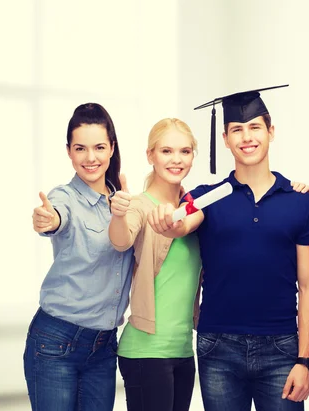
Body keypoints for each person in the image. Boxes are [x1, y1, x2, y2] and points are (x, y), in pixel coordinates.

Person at [147, 85, 309, 411]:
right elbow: (184, 221)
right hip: (218, 348)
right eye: (237, 130)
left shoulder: (301, 204)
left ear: (271, 132)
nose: (247, 137)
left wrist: (305, 359)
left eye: (255, 127)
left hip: (282, 349)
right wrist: (171, 224)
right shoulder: (206, 196)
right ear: (226, 139)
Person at [25, 102, 134, 411]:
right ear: (69, 152)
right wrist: (48, 219)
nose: (91, 158)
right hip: (55, 341)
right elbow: (56, 216)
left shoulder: (123, 203)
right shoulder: (65, 197)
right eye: (80, 148)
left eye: (99, 147)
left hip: (103, 348)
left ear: (112, 148)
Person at [108, 118, 202, 411]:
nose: (176, 160)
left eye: (185, 151)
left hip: (184, 351)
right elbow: (121, 240)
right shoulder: (139, 204)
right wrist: (119, 214)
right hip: (146, 351)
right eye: (166, 151)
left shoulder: (193, 209)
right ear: (150, 155)